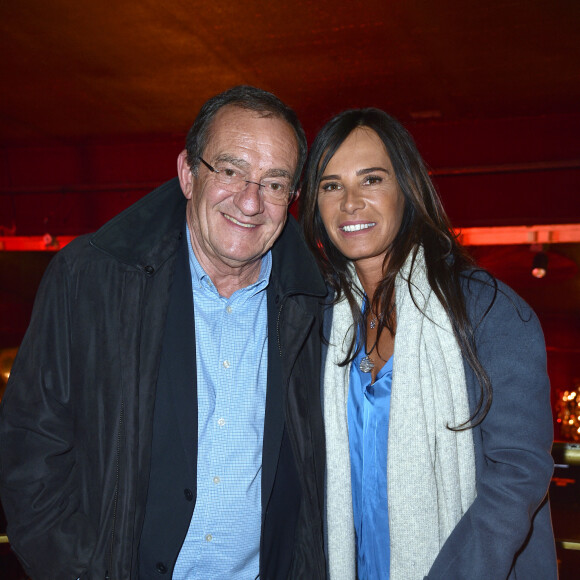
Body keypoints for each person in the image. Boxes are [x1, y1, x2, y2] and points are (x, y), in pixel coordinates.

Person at [0, 86, 328, 580]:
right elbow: (31, 450)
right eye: (231, 170)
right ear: (188, 174)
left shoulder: (318, 305)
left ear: (292, 199)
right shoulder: (91, 280)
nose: (250, 200)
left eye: (275, 183)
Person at [300, 108, 557, 579]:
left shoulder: (488, 311)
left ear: (407, 189)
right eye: (331, 185)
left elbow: (519, 472)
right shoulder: (320, 323)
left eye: (371, 179)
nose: (350, 202)